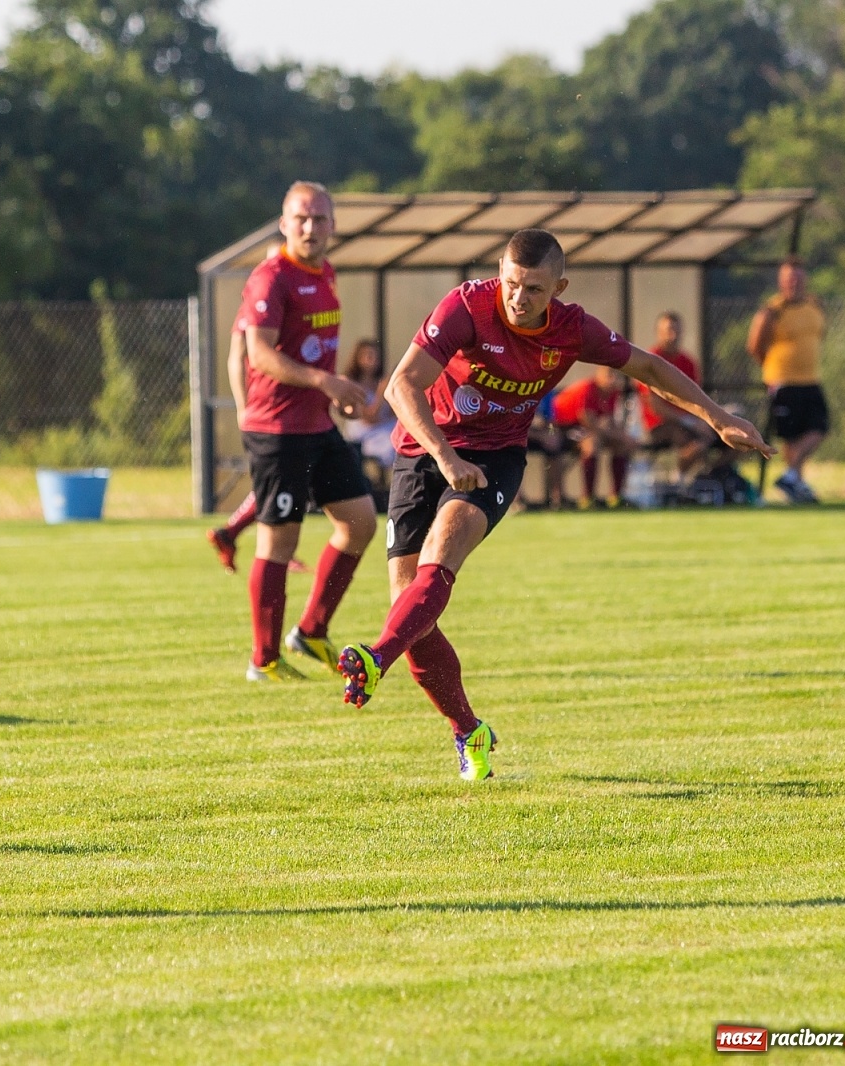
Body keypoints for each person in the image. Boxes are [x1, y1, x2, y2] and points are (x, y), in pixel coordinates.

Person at [336, 229, 772, 780]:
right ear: (500, 271)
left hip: (495, 459)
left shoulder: (571, 330)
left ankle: (375, 659)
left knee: (440, 555)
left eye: (535, 289)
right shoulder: (467, 306)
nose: (519, 299)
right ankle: (470, 731)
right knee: (411, 611)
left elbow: (650, 369)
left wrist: (719, 418)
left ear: (558, 287)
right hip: (424, 451)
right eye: (512, 284)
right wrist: (445, 457)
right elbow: (403, 386)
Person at [233, 181, 376, 682]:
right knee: (278, 543)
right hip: (277, 429)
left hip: (317, 423)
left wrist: (333, 394)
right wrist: (325, 380)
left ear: (334, 225)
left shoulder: (327, 273)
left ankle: (311, 631)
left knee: (359, 523)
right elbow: (258, 353)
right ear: (283, 223)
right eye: (301, 218)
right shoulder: (271, 277)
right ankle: (263, 660)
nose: (311, 227)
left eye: (319, 218)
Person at [206, 325, 308, 577]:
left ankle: (231, 533)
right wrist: (243, 407)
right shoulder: (261, 304)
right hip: (270, 418)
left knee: (277, 485)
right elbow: (237, 358)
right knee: (281, 485)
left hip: (279, 414)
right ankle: (269, 549)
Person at [748, 257, 826, 503]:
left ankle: (792, 478)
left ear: (805, 279)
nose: (794, 283)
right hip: (783, 382)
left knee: (819, 427)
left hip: (810, 379)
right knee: (790, 438)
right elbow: (755, 345)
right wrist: (773, 368)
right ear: (781, 282)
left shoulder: (814, 305)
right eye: (789, 279)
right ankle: (796, 485)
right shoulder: (772, 310)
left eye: (798, 278)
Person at [637, 311, 713, 480]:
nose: (673, 335)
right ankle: (676, 482)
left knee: (721, 439)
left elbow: (695, 400)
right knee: (693, 441)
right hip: (660, 425)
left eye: (677, 330)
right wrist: (691, 422)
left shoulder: (688, 362)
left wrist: (705, 421)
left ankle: (710, 476)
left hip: (686, 422)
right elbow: (656, 408)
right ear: (659, 332)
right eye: (668, 330)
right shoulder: (650, 360)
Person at [550, 365, 632, 508]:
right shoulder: (587, 388)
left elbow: (608, 420)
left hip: (588, 429)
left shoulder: (612, 392)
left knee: (621, 446)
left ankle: (615, 497)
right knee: (591, 445)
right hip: (563, 426)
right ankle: (587, 498)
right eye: (609, 375)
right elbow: (585, 418)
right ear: (598, 375)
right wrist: (615, 435)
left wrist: (622, 437)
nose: (613, 379)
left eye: (616, 376)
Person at [341, 338, 396, 472]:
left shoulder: (380, 381)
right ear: (358, 358)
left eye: (376, 356)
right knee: (391, 443)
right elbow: (368, 418)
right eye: (369, 356)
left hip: (384, 427)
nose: (373, 360)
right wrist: (380, 394)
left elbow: (391, 413)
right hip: (364, 434)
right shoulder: (353, 384)